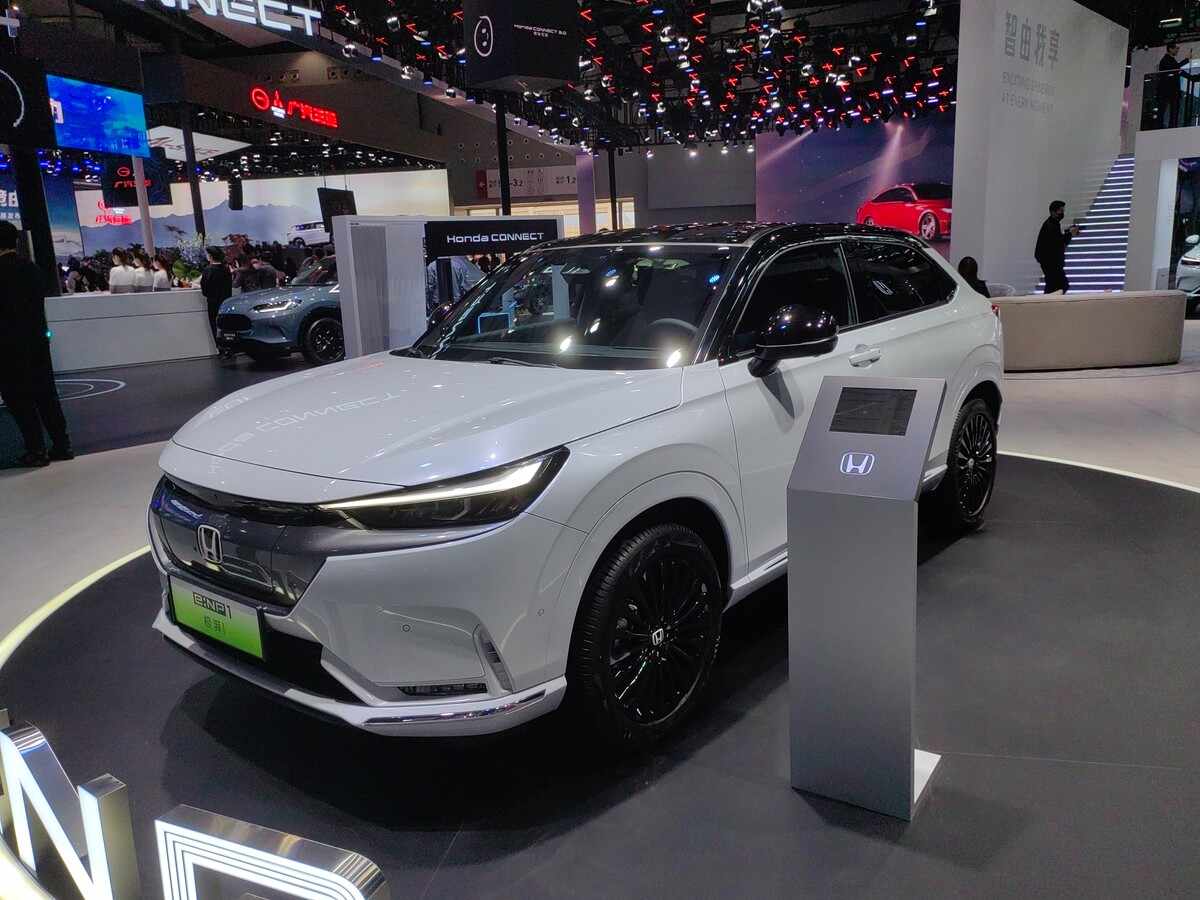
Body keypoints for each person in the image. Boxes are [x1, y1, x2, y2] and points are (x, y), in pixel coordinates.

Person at [0, 221, 72, 467]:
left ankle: (36, 449)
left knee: (18, 397)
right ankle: (62, 445)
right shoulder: (32, 269)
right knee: (46, 394)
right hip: (37, 341)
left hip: (8, 347)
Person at [1035, 200, 1079, 294]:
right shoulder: (1051, 225)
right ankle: (1047, 301)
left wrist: (1068, 233)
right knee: (1061, 285)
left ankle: (1047, 301)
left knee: (1054, 286)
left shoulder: (1052, 223)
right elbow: (1059, 243)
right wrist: (1070, 234)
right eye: (1060, 211)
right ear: (1053, 212)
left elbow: (1056, 241)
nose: (1062, 213)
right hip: (1050, 262)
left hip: (1050, 262)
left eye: (1063, 211)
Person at [200, 246, 232, 347]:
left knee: (214, 325)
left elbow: (205, 290)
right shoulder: (226, 269)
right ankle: (229, 347)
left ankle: (220, 347)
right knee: (226, 326)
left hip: (213, 303)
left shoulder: (208, 270)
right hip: (226, 302)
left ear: (210, 256)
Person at [1158, 42, 1190, 129]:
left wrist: (1193, 77)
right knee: (1164, 110)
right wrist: (1186, 59)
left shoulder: (1171, 60)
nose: (1177, 50)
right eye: (1176, 48)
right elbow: (1175, 68)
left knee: (1174, 111)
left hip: (1172, 91)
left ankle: (1172, 127)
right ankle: (1162, 127)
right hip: (1167, 90)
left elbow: (1177, 69)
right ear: (1170, 49)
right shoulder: (1165, 59)